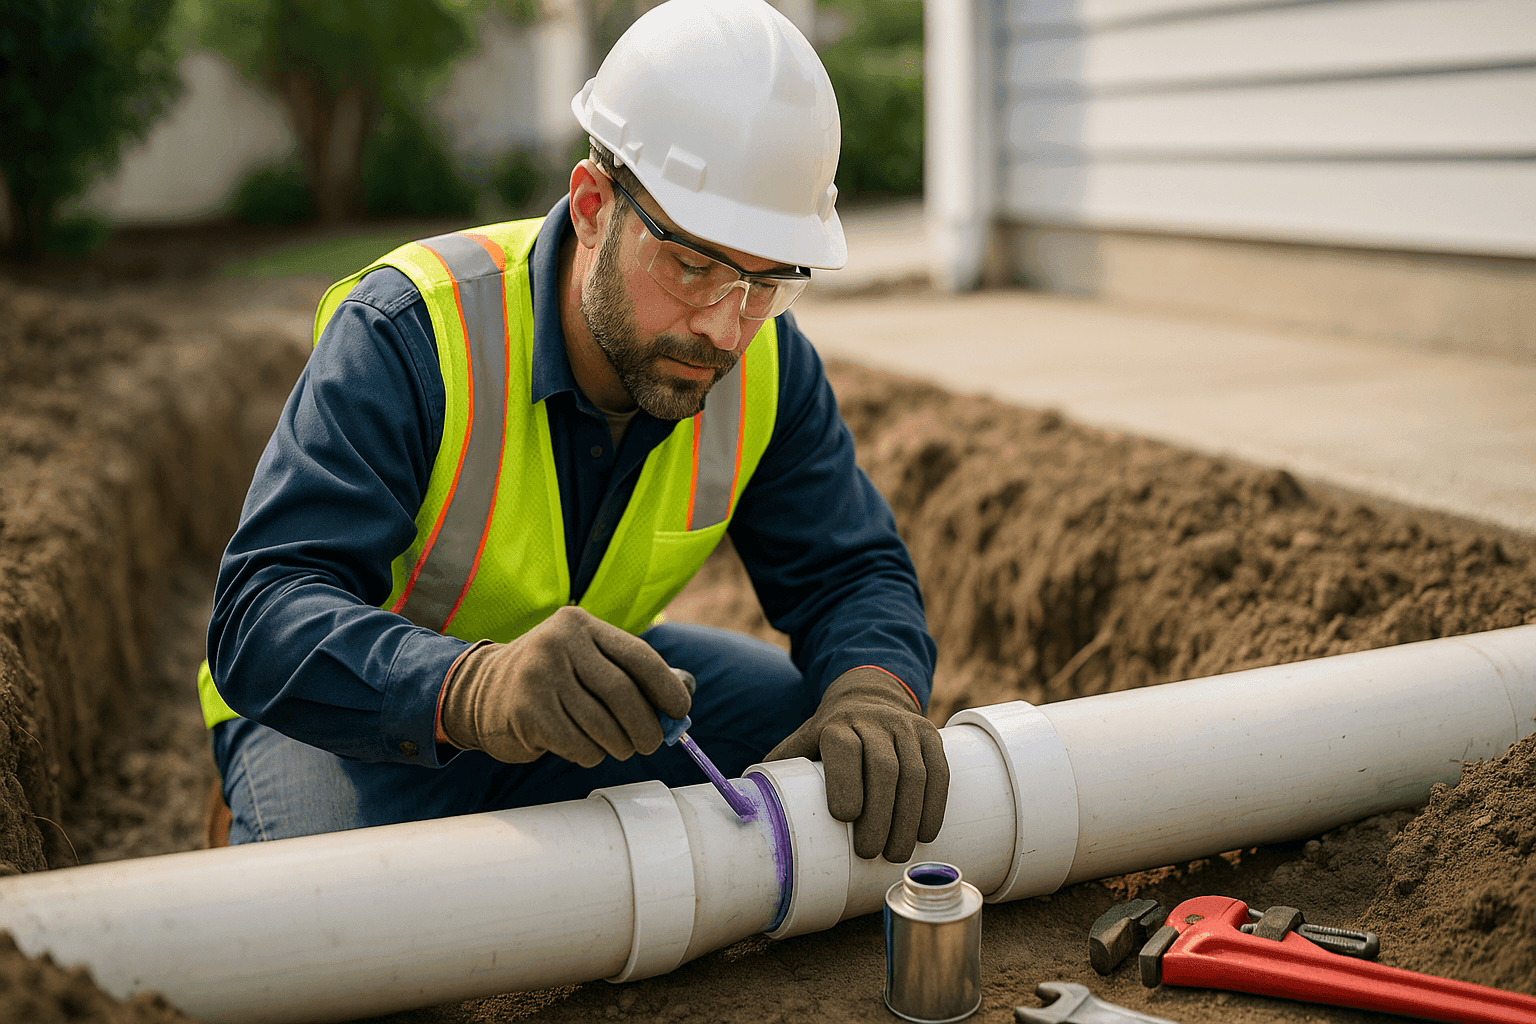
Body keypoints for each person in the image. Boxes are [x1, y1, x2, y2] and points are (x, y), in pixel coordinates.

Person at [196, 0, 948, 864]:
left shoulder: (767, 364)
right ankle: (244, 807)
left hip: (566, 707)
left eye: (769, 280)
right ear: (592, 205)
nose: (725, 327)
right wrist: (475, 687)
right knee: (330, 936)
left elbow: (849, 569)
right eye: (693, 265)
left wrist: (875, 691)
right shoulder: (412, 332)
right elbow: (260, 614)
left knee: (820, 743)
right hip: (354, 716)